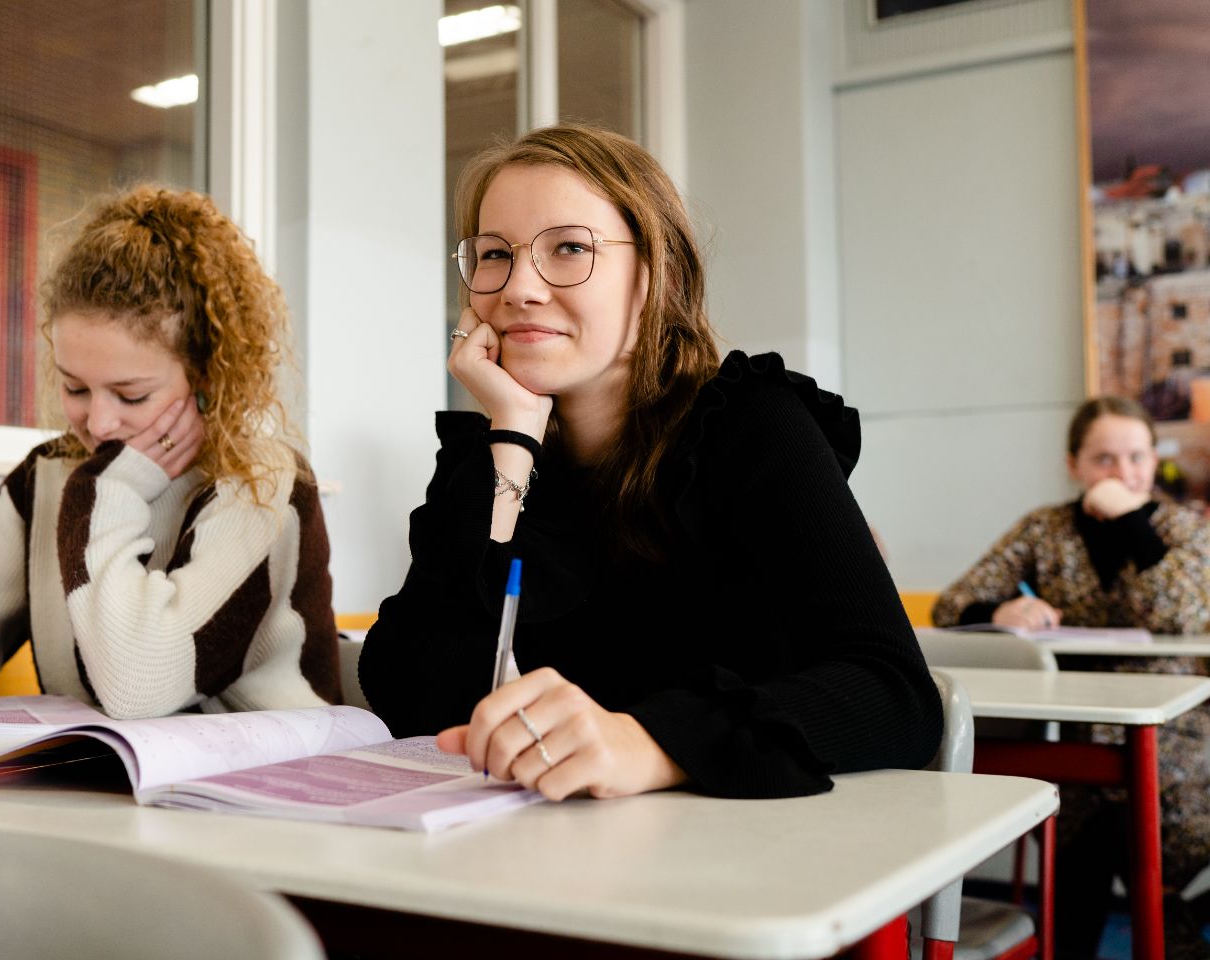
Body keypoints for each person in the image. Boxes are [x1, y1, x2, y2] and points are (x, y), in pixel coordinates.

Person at [357, 124, 943, 802]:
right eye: (494, 254)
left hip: (748, 847)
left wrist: (647, 743)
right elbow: (408, 689)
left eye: (569, 248)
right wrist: (512, 439)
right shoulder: (493, 456)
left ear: (655, 275)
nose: (518, 287)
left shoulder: (748, 424)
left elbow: (895, 694)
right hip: (541, 845)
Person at [0, 186, 341, 719]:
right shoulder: (45, 475)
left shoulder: (263, 484)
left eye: (131, 395)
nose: (98, 424)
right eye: (75, 388)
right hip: (102, 770)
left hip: (282, 769)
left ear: (207, 376)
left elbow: (138, 685)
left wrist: (107, 490)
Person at [932, 395, 1210, 959]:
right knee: (1084, 824)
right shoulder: (1046, 528)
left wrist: (1130, 520)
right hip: (1076, 726)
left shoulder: (1185, 527)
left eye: (1136, 457)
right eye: (1104, 458)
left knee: (1126, 824)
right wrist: (1002, 610)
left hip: (1174, 736)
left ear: (1155, 460)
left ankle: (1169, 927)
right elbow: (952, 603)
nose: (1122, 471)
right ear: (1073, 464)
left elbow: (1183, 614)